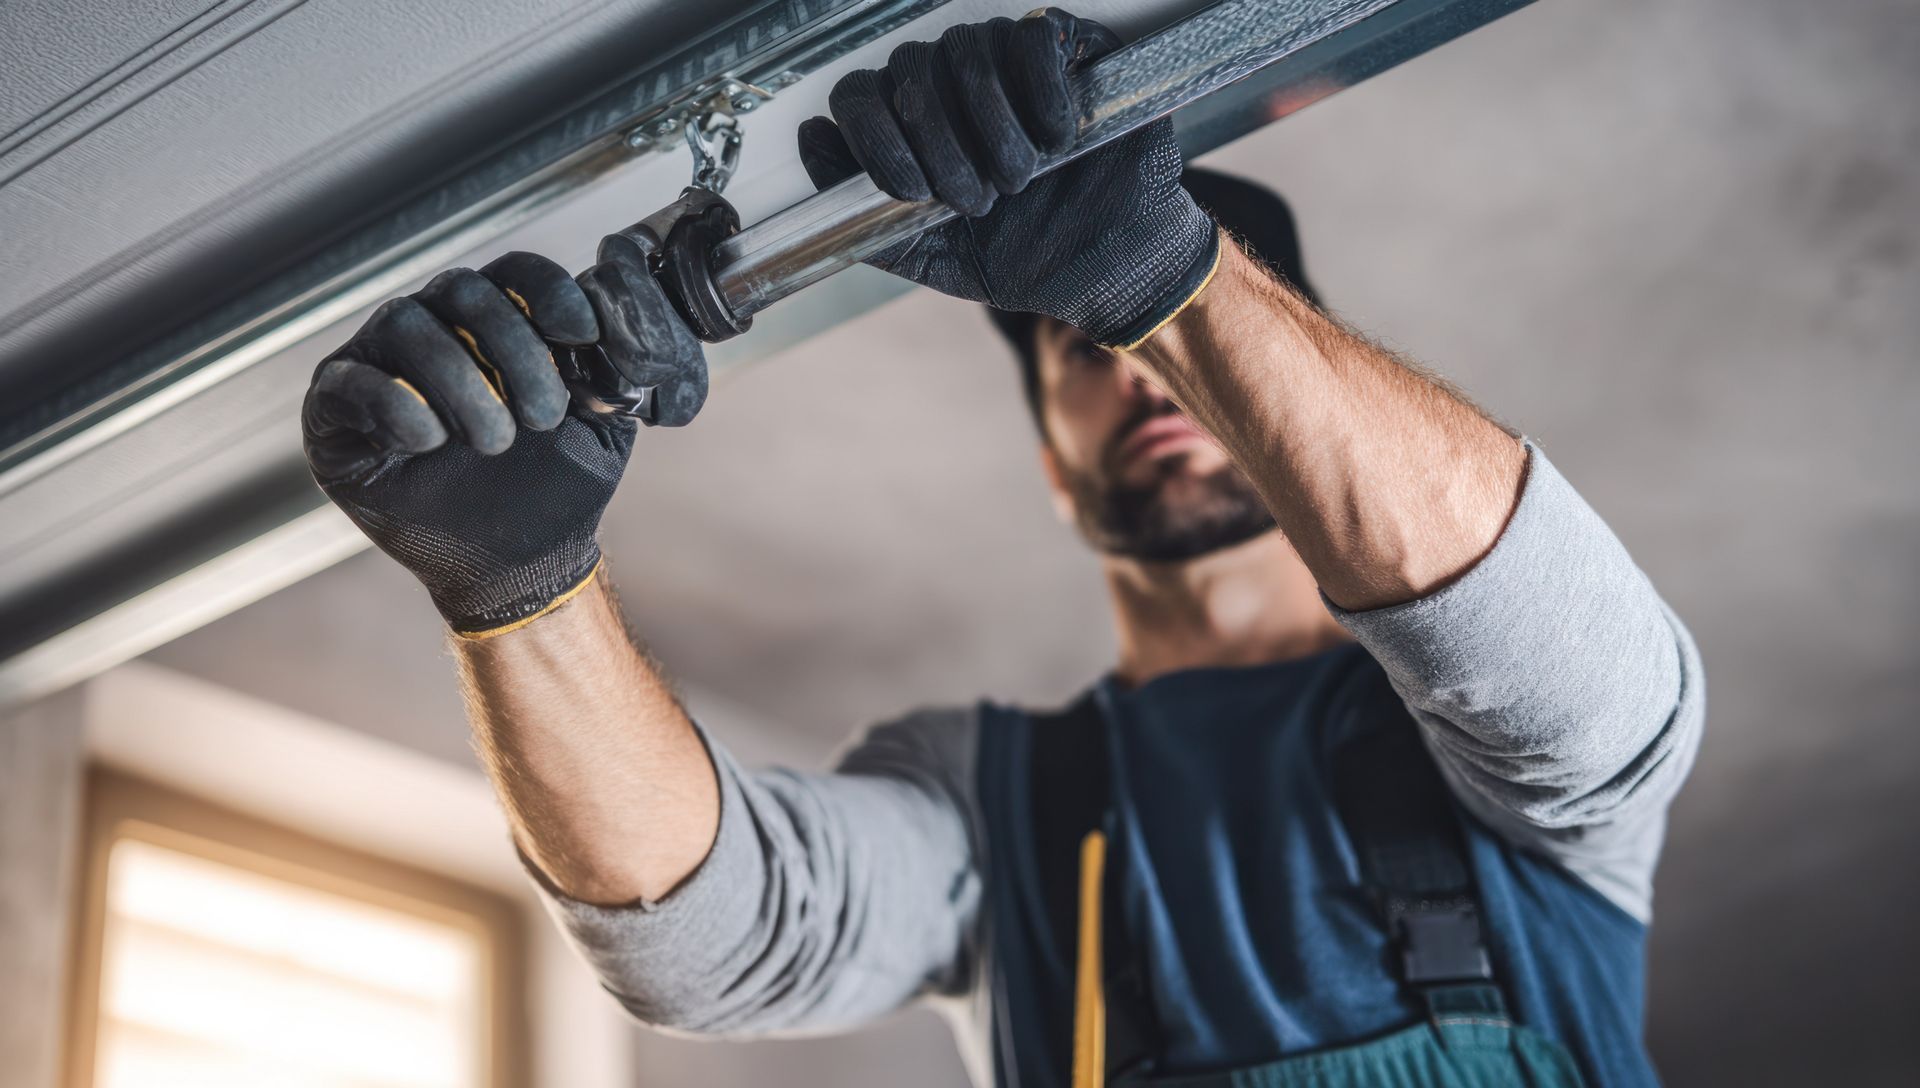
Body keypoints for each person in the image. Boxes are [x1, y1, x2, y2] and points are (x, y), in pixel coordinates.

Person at [300, 10, 1703, 1087]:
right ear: (1050, 466)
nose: (1140, 377)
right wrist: (514, 585)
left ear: (1298, 395)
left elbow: (1575, 667)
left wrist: (1165, 277)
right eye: (1091, 354)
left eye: (1181, 359)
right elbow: (716, 943)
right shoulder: (998, 801)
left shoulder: (1496, 763)